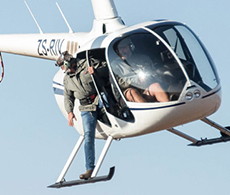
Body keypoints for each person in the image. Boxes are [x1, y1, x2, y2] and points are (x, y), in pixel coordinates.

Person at [57, 51, 101, 180]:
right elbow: (68, 97)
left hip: (100, 98)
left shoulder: (87, 64)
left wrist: (96, 72)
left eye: (62, 65)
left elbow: (105, 68)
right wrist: (69, 112)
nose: (62, 69)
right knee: (88, 136)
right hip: (86, 107)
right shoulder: (67, 79)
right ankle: (89, 169)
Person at [109, 39, 171, 103]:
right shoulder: (115, 65)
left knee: (156, 86)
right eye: (120, 48)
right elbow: (119, 83)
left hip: (145, 88)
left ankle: (169, 108)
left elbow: (154, 73)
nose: (122, 51)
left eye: (124, 48)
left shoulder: (144, 59)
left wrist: (149, 78)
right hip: (127, 93)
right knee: (133, 92)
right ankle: (147, 112)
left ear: (131, 47)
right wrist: (137, 81)